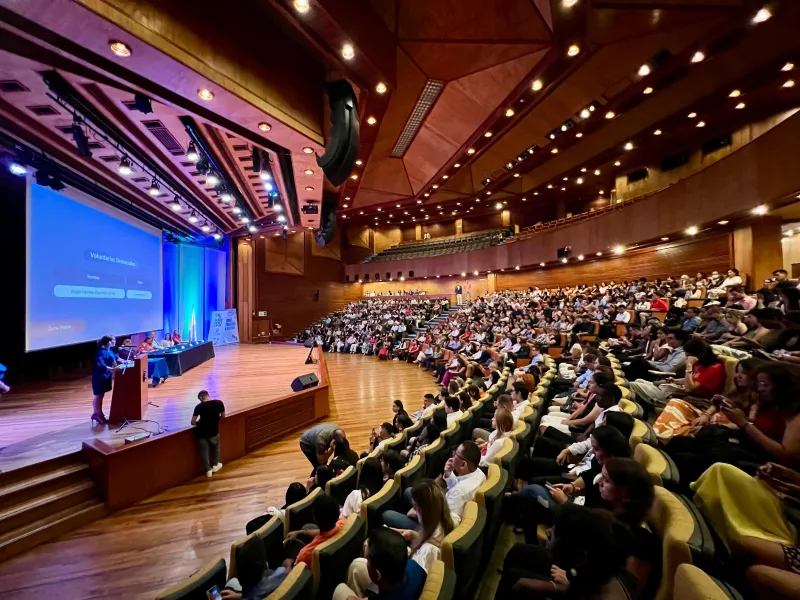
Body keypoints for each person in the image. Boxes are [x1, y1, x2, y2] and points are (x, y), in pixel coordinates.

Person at [496, 505, 632, 599]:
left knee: (517, 578)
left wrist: (552, 587)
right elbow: (582, 586)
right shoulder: (599, 570)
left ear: (580, 558)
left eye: (556, 533)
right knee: (520, 554)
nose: (548, 533)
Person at [382, 441, 485, 529]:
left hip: (432, 528)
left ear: (463, 464)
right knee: (409, 491)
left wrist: (419, 513)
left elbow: (447, 525)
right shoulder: (479, 473)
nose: (452, 456)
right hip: (441, 508)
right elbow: (458, 486)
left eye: (455, 454)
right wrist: (448, 474)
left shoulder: (459, 492)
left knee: (386, 515)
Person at [629, 337, 725, 414]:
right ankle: (645, 408)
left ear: (698, 354)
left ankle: (643, 412)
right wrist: (674, 380)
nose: (687, 358)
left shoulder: (714, 369)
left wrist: (689, 366)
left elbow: (689, 388)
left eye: (688, 355)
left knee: (634, 385)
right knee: (639, 381)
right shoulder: (702, 364)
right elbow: (692, 380)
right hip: (679, 390)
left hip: (691, 398)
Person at [333, 528, 427, 600]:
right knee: (356, 566)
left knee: (340, 589)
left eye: (368, 559)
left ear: (377, 574)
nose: (366, 561)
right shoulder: (414, 566)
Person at [390, 479, 455, 573]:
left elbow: (414, 576)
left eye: (415, 507)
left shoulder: (429, 551)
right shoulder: (449, 518)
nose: (414, 511)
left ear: (422, 510)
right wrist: (413, 535)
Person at [221, 534, 291, 600]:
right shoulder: (281, 574)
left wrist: (241, 597)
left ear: (238, 575)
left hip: (247, 592)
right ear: (266, 566)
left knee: (231, 582)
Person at [192, 390, 225, 477]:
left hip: (201, 433)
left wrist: (200, 423)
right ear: (208, 395)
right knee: (216, 447)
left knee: (204, 452)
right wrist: (214, 420)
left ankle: (208, 471)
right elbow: (223, 416)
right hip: (214, 431)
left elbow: (193, 422)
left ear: (201, 398)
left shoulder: (199, 406)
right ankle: (215, 465)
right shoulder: (219, 403)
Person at [91, 335, 121, 425]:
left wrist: (126, 361)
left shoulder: (109, 350)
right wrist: (113, 369)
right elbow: (101, 365)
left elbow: (117, 358)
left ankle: (97, 413)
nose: (115, 342)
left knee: (101, 396)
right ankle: (98, 415)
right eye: (113, 340)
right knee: (98, 396)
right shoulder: (101, 352)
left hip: (106, 376)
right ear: (108, 342)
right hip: (99, 377)